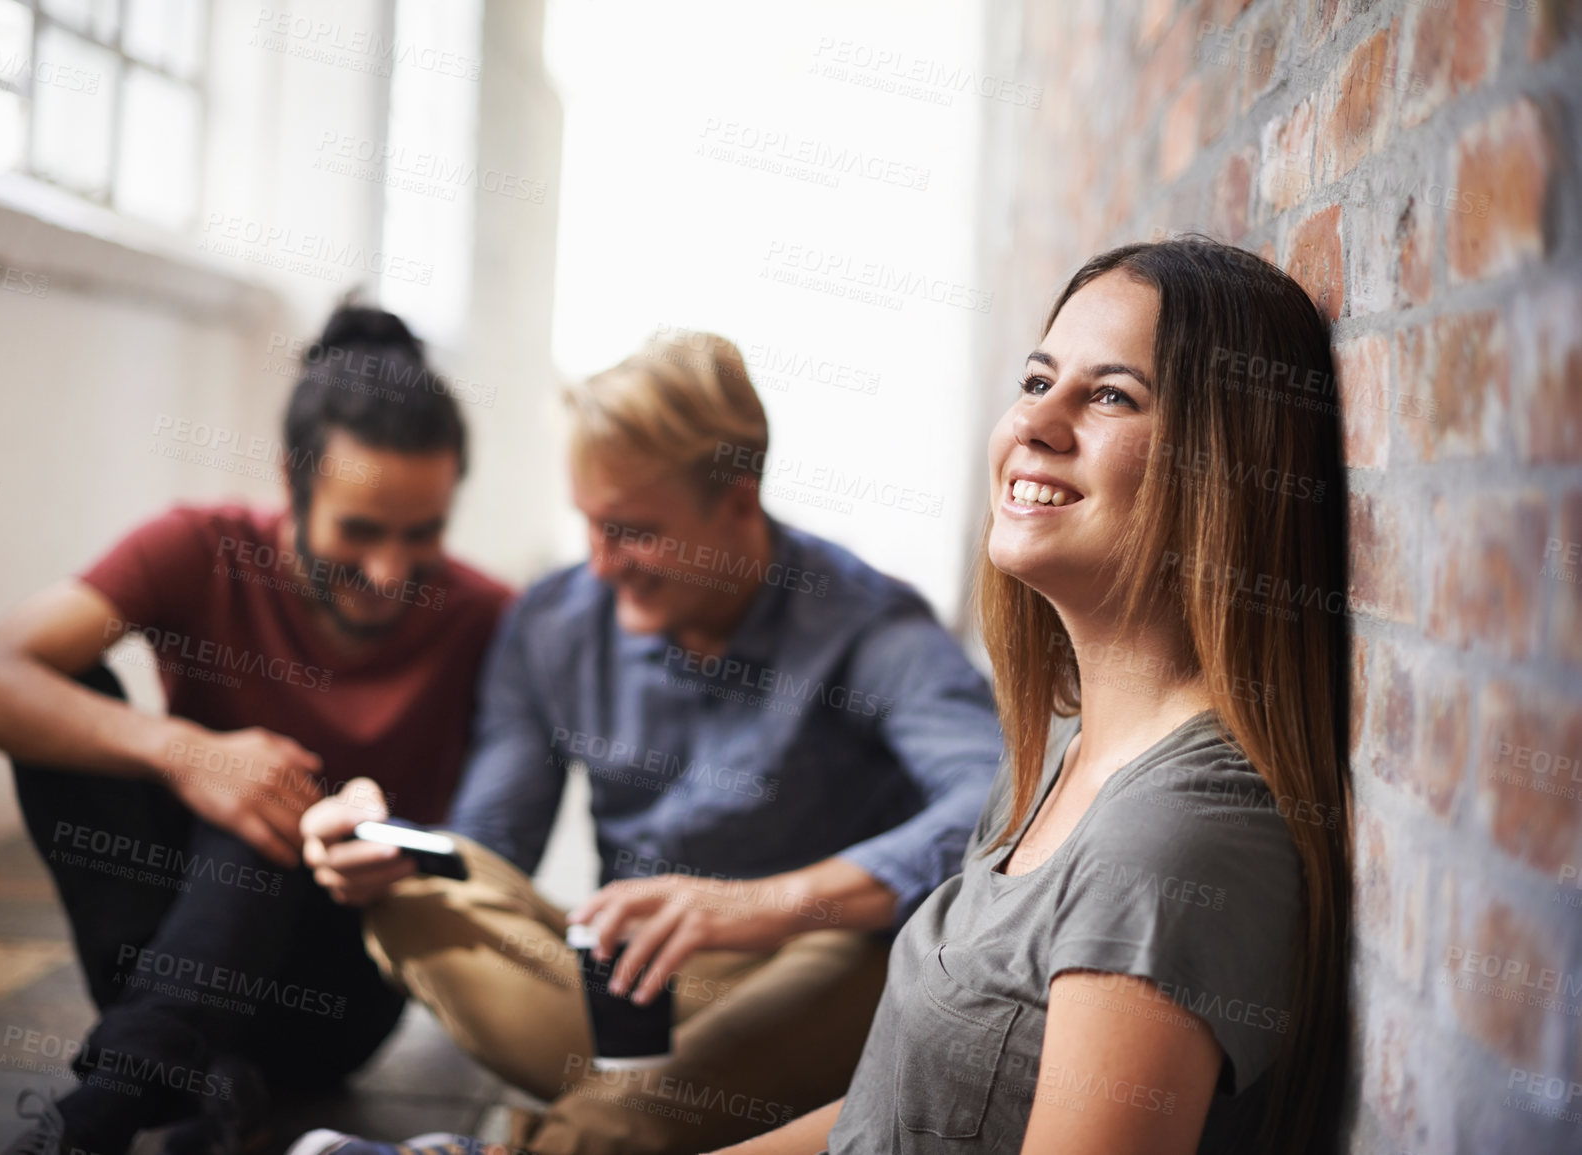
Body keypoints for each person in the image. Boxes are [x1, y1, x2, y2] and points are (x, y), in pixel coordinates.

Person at [710, 236, 1353, 1154]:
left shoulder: (1172, 840)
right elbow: (879, 1125)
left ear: (1222, 470)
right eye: (1036, 380)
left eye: (1108, 395)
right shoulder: (1054, 759)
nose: (1034, 424)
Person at [290, 330, 1006, 1155]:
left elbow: (997, 798)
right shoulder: (553, 623)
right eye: (588, 524)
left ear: (738, 503)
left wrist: (756, 903)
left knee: (875, 947)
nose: (599, 563)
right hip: (623, 985)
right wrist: (383, 845)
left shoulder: (864, 623)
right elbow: (495, 842)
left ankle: (561, 1136)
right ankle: (681, 1109)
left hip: (802, 972)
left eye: (630, 531)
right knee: (412, 897)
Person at [0, 306, 512, 1155]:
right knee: (78, 696)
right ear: (292, 478)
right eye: (359, 530)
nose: (391, 572)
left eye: (421, 533)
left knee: (270, 812)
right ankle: (205, 1082)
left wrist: (376, 836)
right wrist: (189, 751)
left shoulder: (489, 617)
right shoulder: (198, 546)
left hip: (336, 998)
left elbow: (501, 837)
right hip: (174, 956)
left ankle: (104, 1108)